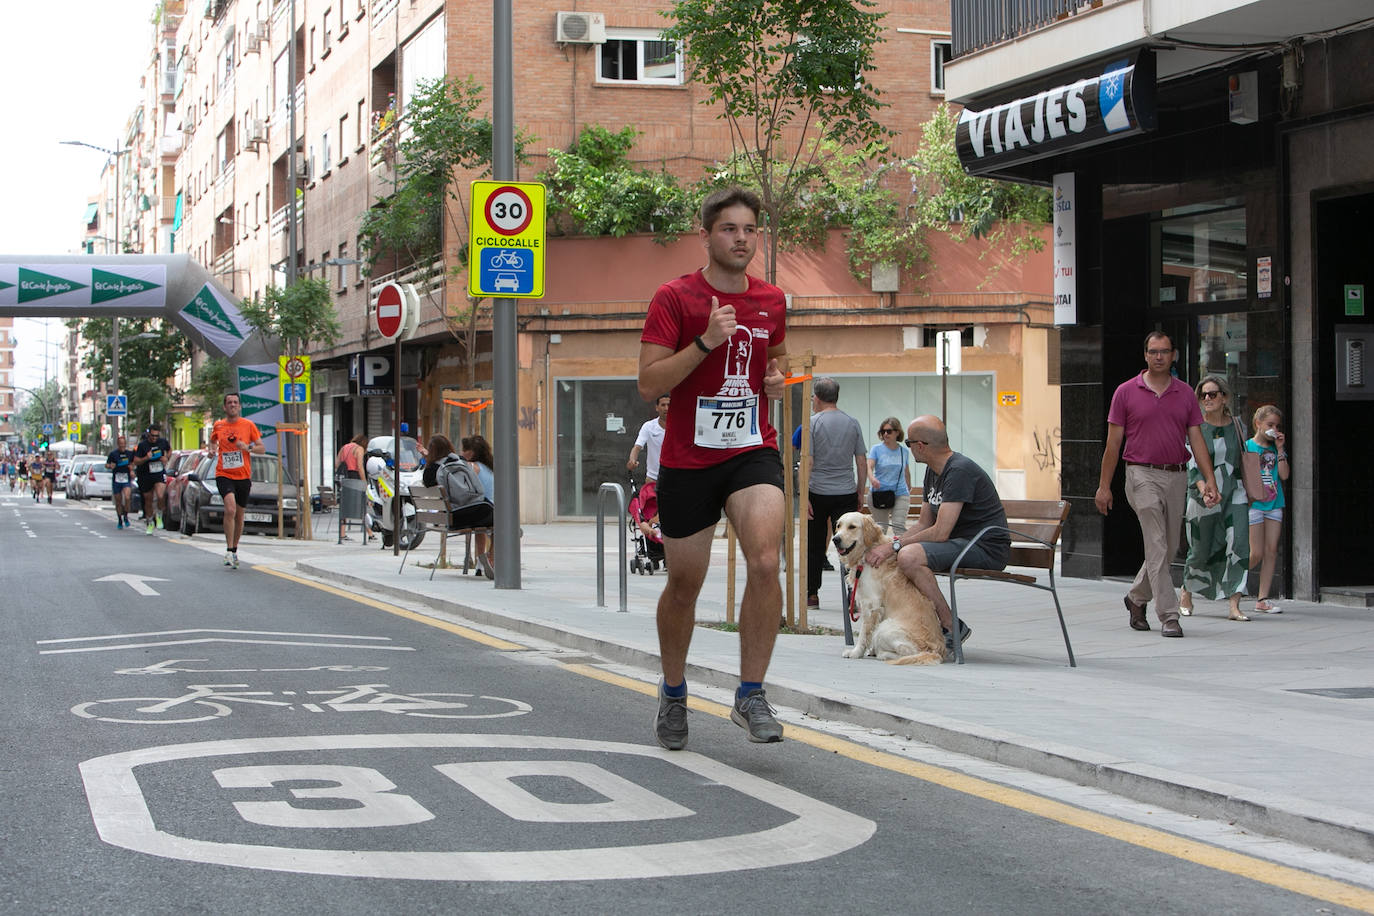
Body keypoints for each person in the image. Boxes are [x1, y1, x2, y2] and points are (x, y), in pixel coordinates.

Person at [638, 186, 788, 750]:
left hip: (751, 449)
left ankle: (751, 693)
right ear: (705, 235)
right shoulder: (674, 297)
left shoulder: (772, 299)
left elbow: (778, 357)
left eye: (750, 229)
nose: (741, 239)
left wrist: (777, 379)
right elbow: (648, 383)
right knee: (685, 584)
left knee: (766, 561)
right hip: (688, 459)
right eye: (729, 229)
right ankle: (674, 691)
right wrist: (705, 341)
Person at [1095, 331, 1219, 638]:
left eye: (1164, 351)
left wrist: (1210, 479)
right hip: (1140, 474)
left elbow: (1196, 439)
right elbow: (1113, 444)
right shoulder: (1125, 392)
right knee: (1158, 544)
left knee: (1169, 547)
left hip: (1177, 475)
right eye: (1153, 351)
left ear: (1173, 355)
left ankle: (1136, 597)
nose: (1159, 356)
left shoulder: (1185, 393)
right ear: (1145, 355)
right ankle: (1169, 615)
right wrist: (1104, 486)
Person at [861, 415, 1006, 651]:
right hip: (961, 542)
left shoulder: (959, 471)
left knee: (909, 556)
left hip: (984, 547)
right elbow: (923, 524)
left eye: (908, 443)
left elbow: (940, 532)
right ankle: (910, 624)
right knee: (900, 553)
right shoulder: (933, 471)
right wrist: (891, 544)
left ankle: (950, 626)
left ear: (920, 446)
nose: (908, 447)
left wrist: (894, 546)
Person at [1177, 376, 1250, 621]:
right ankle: (1186, 591)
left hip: (1235, 492)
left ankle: (1234, 604)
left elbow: (1243, 458)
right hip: (1202, 495)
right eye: (1203, 395)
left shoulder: (1238, 426)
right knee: (1199, 549)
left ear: (1224, 397)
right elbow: (1191, 463)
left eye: (1212, 394)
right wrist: (1204, 489)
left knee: (1239, 545)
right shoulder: (1194, 427)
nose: (1207, 398)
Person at [804, 378, 867, 610]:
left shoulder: (812, 423)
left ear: (817, 398)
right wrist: (860, 491)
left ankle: (812, 594)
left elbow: (808, 461)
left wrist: (804, 495)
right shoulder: (852, 423)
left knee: (814, 544)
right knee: (851, 544)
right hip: (846, 490)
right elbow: (861, 461)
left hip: (817, 492)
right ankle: (853, 593)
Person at [208, 393, 265, 567]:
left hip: (243, 476)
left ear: (239, 406)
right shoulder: (219, 425)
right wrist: (211, 450)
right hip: (224, 474)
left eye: (235, 402)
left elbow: (262, 448)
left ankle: (234, 549)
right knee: (230, 509)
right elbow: (212, 441)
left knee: (239, 515)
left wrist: (247, 447)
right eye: (229, 403)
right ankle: (228, 550)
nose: (232, 405)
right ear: (224, 407)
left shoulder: (248, 425)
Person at [422, 436, 494, 570]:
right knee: (500, 521)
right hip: (468, 515)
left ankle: (483, 562)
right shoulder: (460, 462)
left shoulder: (429, 472)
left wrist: (428, 459)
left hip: (450, 519)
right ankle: (488, 560)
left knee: (488, 521)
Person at [1246, 405, 1289, 614]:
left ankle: (1262, 599)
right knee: (1256, 553)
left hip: (1274, 503)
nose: (1274, 429)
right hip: (1254, 503)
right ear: (1258, 424)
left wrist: (1280, 450)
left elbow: (1284, 475)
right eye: (1270, 424)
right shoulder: (1247, 446)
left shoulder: (1275, 448)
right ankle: (1231, 580)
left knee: (1271, 551)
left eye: (1277, 426)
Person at [866, 415, 914, 536]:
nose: (885, 434)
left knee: (898, 526)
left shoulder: (904, 451)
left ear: (897, 432)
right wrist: (872, 479)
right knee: (881, 528)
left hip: (900, 493)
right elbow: (869, 467)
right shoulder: (876, 449)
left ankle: (900, 548)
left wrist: (909, 485)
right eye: (883, 431)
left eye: (889, 431)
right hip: (879, 493)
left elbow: (906, 471)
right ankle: (881, 549)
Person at [460, 434, 496, 579]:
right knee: (499, 525)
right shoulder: (491, 468)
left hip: (477, 513)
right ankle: (490, 558)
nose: (462, 453)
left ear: (472, 452)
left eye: (464, 450)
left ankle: (481, 563)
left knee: (482, 526)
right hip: (488, 511)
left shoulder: (472, 467)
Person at [627, 394, 670, 498]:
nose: (666, 408)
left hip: (674, 479)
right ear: (657, 408)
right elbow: (637, 447)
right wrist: (632, 460)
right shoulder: (648, 426)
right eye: (663, 405)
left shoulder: (679, 426)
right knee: (652, 508)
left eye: (669, 405)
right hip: (653, 479)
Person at [133, 423, 173, 533]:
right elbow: (136, 461)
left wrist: (166, 457)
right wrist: (146, 458)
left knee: (160, 495)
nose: (154, 438)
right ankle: (150, 521)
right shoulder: (142, 445)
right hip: (145, 474)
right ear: (148, 435)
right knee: (148, 500)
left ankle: (159, 515)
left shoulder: (162, 442)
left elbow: (170, 450)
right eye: (152, 436)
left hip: (158, 473)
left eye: (156, 436)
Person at [336, 433, 367, 541]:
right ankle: (369, 532)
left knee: (344, 506)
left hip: (344, 478)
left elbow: (337, 464)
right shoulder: (359, 449)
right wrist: (364, 482)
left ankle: (342, 533)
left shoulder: (344, 447)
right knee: (361, 504)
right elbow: (360, 466)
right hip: (354, 477)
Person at [106, 435, 138, 529]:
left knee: (127, 497)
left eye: (123, 444)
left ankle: (126, 516)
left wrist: (132, 469)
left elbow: (133, 463)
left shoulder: (129, 454)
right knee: (118, 501)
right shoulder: (113, 454)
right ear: (118, 444)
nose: (122, 446)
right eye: (120, 444)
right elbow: (107, 464)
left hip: (126, 479)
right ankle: (120, 519)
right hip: (117, 479)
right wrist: (110, 466)